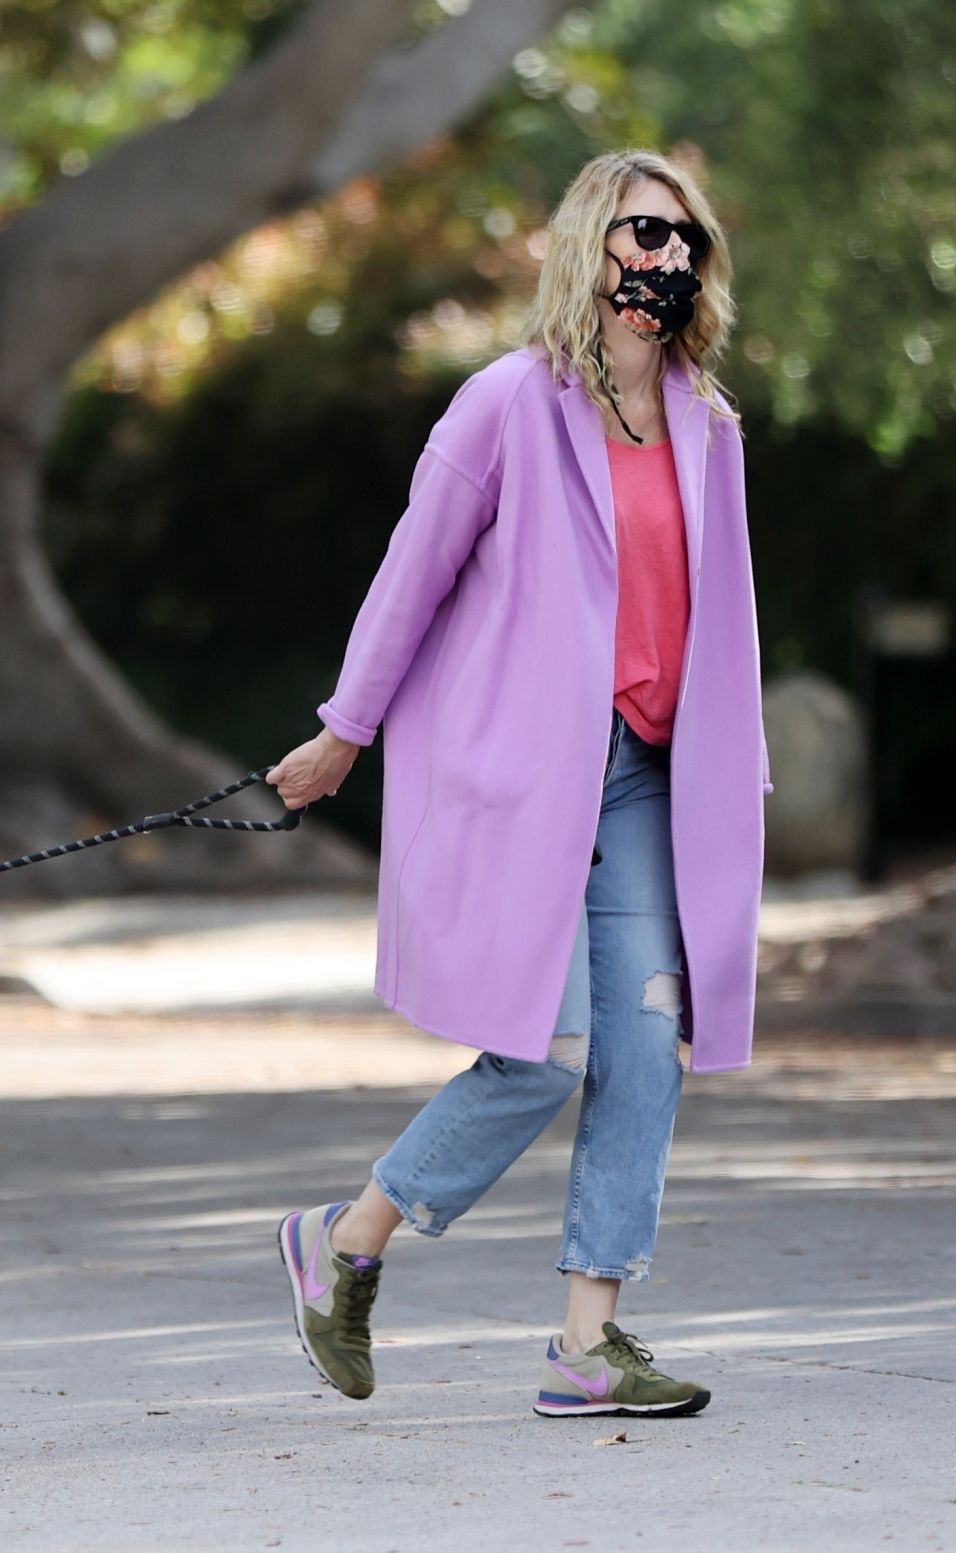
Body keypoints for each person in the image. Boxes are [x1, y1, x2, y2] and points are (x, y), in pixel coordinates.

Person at [266, 147, 771, 1419]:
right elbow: (412, 571)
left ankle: (587, 1343)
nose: (664, 258)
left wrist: (736, 763)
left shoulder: (708, 423)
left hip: (652, 777)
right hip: (534, 773)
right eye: (642, 234)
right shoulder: (507, 403)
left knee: (647, 1041)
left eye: (684, 239)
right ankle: (345, 1241)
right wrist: (345, 728)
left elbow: (729, 617)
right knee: (544, 1053)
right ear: (591, 247)